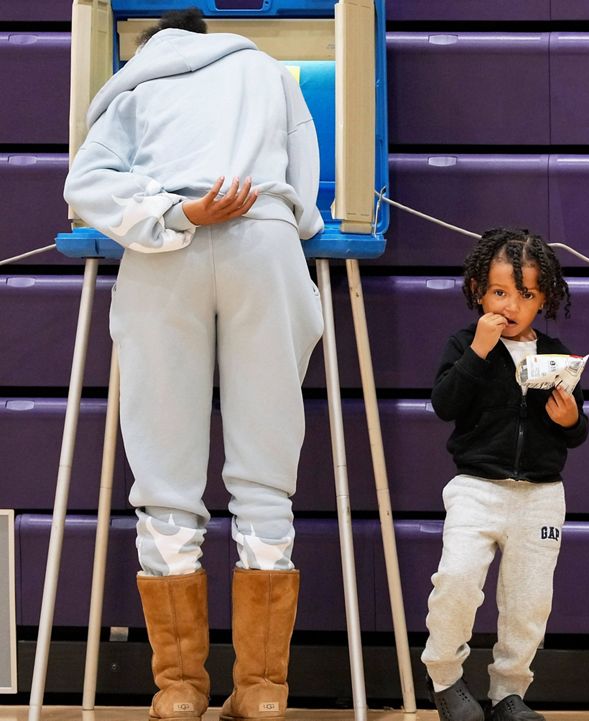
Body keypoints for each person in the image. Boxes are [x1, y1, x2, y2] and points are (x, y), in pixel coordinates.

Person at [63, 8, 323, 720]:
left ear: (149, 46)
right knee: (267, 471)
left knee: (165, 471)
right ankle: (264, 690)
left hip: (166, 254)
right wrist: (277, 222)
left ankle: (179, 688)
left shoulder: (133, 84)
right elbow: (306, 188)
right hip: (263, 242)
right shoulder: (269, 73)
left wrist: (176, 213)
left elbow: (85, 185)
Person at [423, 228, 589, 721]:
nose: (512, 305)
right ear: (478, 291)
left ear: (544, 299)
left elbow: (576, 431)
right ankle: (445, 678)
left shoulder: (556, 352)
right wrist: (478, 350)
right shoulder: (464, 344)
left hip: (541, 495)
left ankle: (508, 692)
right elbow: (444, 404)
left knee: (529, 602)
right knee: (455, 579)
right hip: (476, 489)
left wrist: (570, 419)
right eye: (500, 292)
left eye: (526, 294)